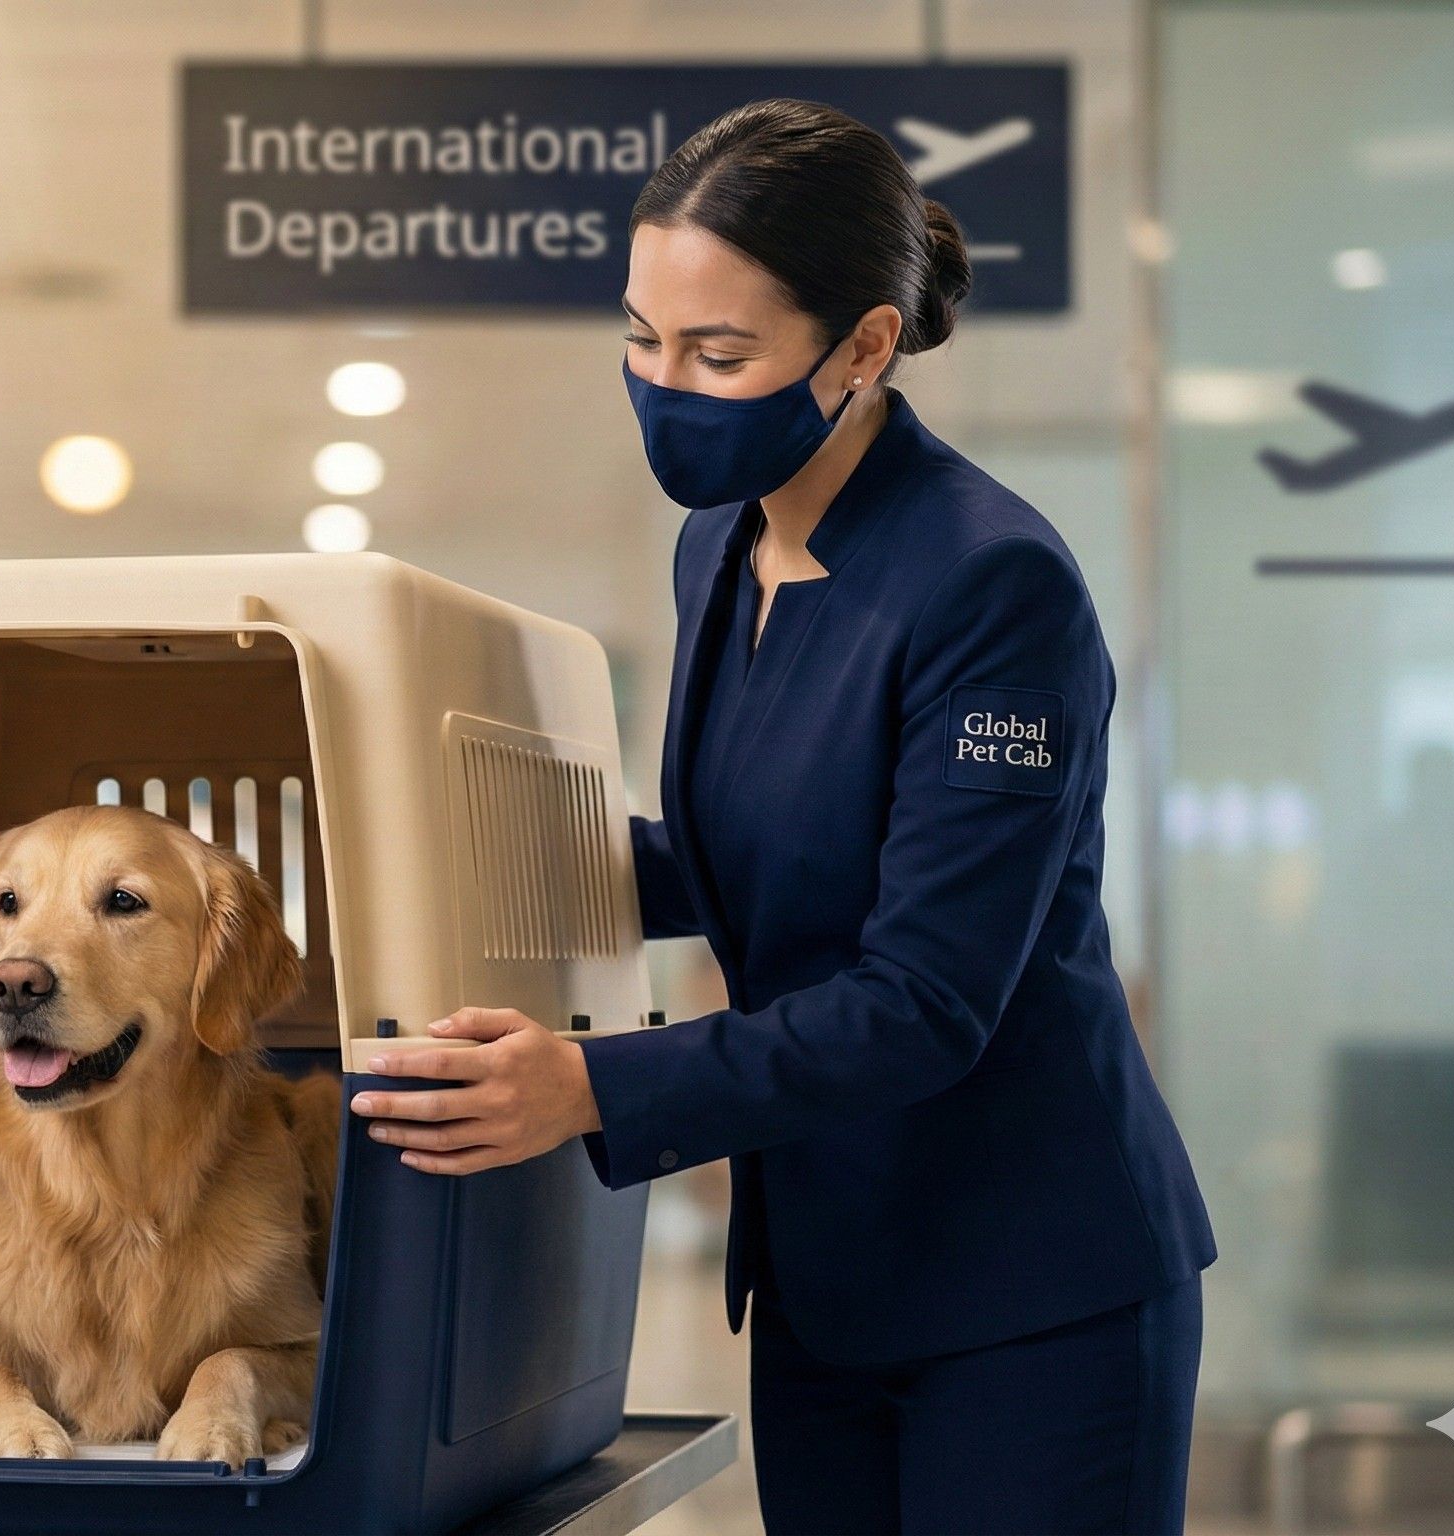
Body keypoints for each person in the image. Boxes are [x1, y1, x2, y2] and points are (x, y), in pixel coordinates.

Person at [350, 99, 1216, 1535]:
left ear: (864, 348)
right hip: (828, 1280)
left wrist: (592, 1088)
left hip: (1027, 1296)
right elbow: (749, 857)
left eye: (720, 352)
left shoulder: (992, 585)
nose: (664, 382)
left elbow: (927, 995)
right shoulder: (722, 546)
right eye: (642, 336)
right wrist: (433, 864)